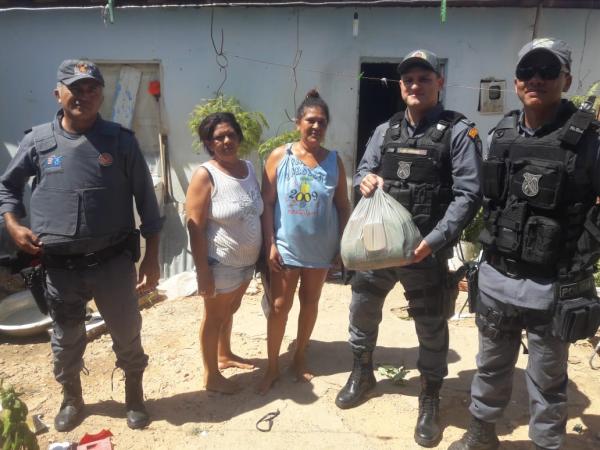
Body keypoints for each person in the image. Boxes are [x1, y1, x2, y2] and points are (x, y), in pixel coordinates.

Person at [450, 38, 600, 450]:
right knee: (491, 366)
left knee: (548, 380)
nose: (536, 79)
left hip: (553, 288)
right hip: (498, 277)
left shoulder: (589, 141)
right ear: (516, 83)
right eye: (527, 72)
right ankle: (481, 436)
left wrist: (584, 256)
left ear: (565, 79)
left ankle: (545, 444)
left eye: (548, 71)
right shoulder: (502, 133)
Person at [0, 60, 162, 431]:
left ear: (101, 95)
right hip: (59, 268)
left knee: (126, 333)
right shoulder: (37, 142)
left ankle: (134, 396)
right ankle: (72, 398)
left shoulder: (121, 141)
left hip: (113, 264)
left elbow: (147, 203)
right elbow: (7, 187)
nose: (84, 96)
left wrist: (152, 257)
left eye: (92, 89)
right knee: (66, 338)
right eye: (76, 87)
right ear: (58, 92)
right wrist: (12, 223)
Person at [335, 50, 482, 448]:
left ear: (440, 82)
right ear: (401, 87)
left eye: (423, 78)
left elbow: (468, 195)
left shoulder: (457, 132)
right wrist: (364, 181)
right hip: (380, 248)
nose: (415, 85)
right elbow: (364, 169)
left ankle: (430, 396)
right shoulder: (386, 130)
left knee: (430, 324)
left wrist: (433, 241)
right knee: (363, 305)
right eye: (408, 80)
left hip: (425, 250)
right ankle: (362, 372)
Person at [257, 90, 351, 394]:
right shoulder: (278, 157)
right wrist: (269, 242)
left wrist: (341, 243)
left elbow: (342, 205)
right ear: (298, 122)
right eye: (310, 120)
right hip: (285, 246)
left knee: (310, 303)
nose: (316, 127)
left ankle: (299, 357)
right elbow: (267, 202)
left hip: (320, 249)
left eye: (322, 122)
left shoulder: (335, 161)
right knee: (279, 306)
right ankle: (272, 365)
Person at [186, 112, 263, 394]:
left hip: (246, 262)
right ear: (209, 143)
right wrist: (202, 272)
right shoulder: (205, 176)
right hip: (220, 264)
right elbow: (195, 227)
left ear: (239, 137)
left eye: (231, 134)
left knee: (231, 309)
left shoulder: (248, 169)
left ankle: (225, 354)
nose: (227, 140)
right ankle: (211, 376)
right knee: (215, 316)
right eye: (219, 137)